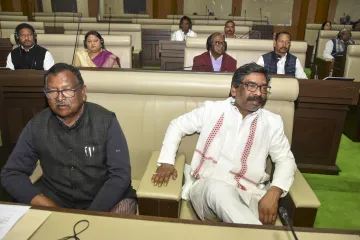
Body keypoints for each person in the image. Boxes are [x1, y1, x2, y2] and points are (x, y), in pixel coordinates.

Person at [152, 62, 297, 225]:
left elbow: (285, 159)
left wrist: (274, 192)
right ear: (234, 89)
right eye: (251, 86)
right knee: (219, 190)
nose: (258, 93)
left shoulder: (272, 122)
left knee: (240, 219)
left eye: (263, 88)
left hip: (249, 194)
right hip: (206, 190)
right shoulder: (212, 110)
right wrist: (166, 161)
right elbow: (177, 125)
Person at [1, 63, 137, 214]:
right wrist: (40, 201)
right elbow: (11, 173)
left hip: (105, 199)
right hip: (55, 199)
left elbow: (120, 176)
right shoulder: (36, 125)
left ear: (83, 91)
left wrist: (91, 214)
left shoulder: (106, 121)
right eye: (52, 91)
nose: (59, 97)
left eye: (67, 90)